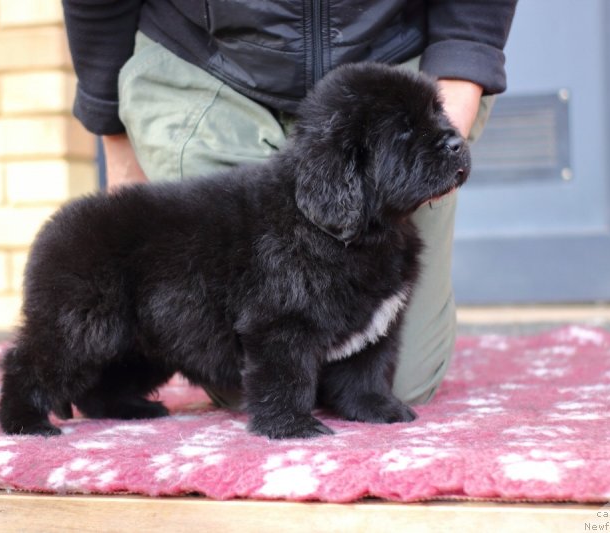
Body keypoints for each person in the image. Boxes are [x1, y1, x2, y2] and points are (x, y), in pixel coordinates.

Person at [62, 0, 517, 409]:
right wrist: (115, 137)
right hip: (209, 65)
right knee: (239, 362)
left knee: (396, 387)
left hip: (387, 73)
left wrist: (437, 128)